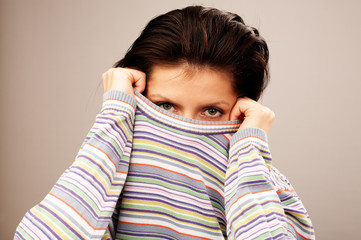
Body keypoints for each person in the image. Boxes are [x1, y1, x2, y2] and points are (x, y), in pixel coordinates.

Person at [14, 6, 315, 240]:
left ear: (244, 108)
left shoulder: (262, 183)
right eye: (165, 106)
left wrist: (250, 149)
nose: (184, 127)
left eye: (211, 111)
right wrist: (115, 114)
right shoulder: (113, 166)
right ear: (137, 94)